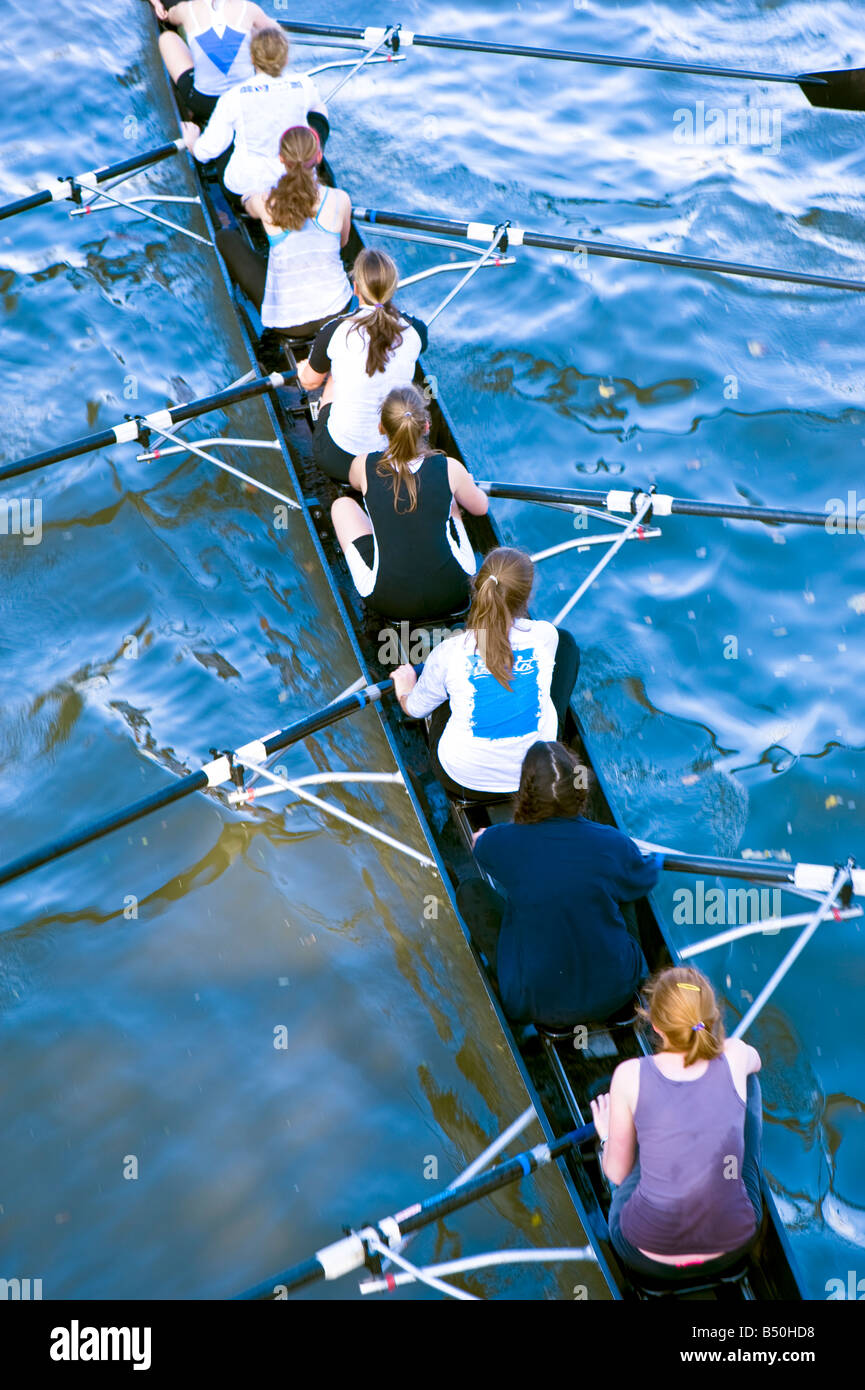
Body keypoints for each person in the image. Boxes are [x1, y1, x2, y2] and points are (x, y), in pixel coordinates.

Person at [457, 740, 663, 1026]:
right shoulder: (613, 843)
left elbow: (479, 845)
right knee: (626, 883)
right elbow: (647, 874)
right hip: (616, 992)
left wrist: (488, 836)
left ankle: (502, 978)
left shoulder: (502, 841)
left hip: (535, 1005)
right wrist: (657, 857)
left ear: (525, 792)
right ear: (579, 790)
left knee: (470, 891)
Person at [590, 965, 763, 1285]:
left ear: (655, 1026)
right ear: (711, 1019)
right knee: (749, 1084)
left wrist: (606, 1136)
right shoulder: (735, 1053)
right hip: (735, 1246)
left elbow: (615, 1173)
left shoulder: (629, 1075)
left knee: (625, 1160)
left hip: (642, 1255)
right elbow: (755, 1061)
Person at [392, 548, 580, 798]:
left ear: (477, 587)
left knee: (447, 679)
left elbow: (415, 709)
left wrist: (405, 689)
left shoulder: (450, 652)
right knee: (566, 642)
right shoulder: (545, 635)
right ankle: (554, 735)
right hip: (538, 776)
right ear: (528, 597)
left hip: (462, 781)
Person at [331, 385, 488, 620]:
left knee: (341, 506)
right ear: (426, 426)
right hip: (454, 591)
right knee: (453, 506)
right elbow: (481, 507)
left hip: (389, 602)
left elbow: (354, 484)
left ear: (381, 428)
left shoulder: (364, 465)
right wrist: (467, 483)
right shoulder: (449, 468)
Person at [298, 250, 428, 484]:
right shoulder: (416, 331)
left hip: (339, 460)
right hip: (393, 458)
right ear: (393, 288)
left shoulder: (335, 331)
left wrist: (302, 369)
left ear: (356, 288)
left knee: (332, 379)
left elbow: (309, 382)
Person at [215, 126, 352, 343]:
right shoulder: (340, 199)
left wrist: (251, 196)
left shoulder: (266, 201)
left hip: (289, 325)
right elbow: (343, 244)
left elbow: (248, 204)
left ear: (281, 158)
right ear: (318, 157)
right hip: (338, 310)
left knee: (225, 238)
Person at [182, 27, 328, 200]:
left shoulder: (233, 96)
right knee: (318, 108)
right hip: (297, 176)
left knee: (225, 138)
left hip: (246, 186)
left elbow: (206, 152)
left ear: (252, 59)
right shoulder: (305, 84)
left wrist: (192, 143)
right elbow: (317, 110)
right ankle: (313, 152)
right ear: (286, 59)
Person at [149, 0, 269, 126]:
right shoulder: (249, 8)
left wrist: (161, 8)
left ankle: (192, 112)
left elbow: (170, 16)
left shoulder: (186, 9)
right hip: (247, 98)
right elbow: (275, 35)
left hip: (205, 103)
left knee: (167, 38)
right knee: (254, 33)